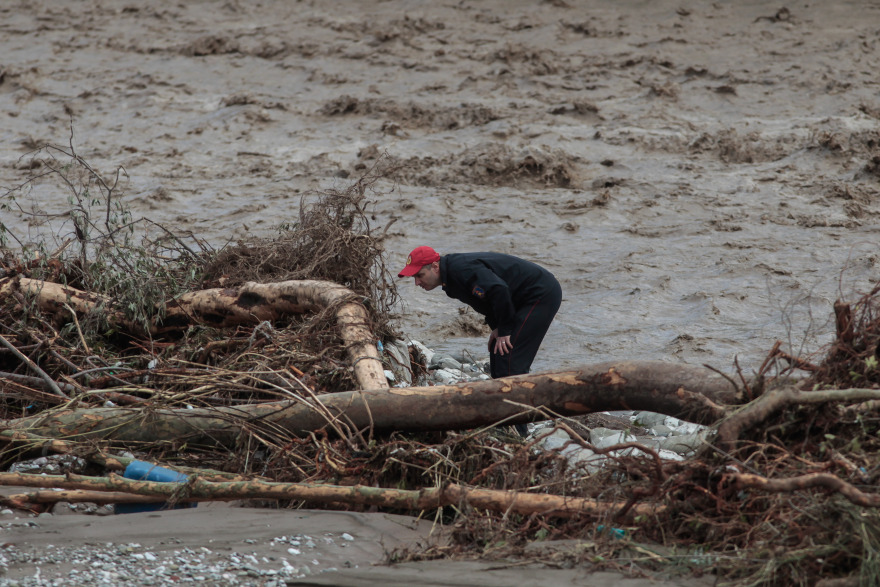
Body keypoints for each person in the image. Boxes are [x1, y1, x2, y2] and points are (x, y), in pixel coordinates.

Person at [398, 246, 562, 436]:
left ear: (435, 266)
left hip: (539, 294)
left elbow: (499, 290)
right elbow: (487, 300)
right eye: (414, 278)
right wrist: (496, 327)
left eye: (419, 275)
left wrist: (505, 329)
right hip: (517, 299)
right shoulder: (449, 277)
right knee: (497, 350)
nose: (417, 282)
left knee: (510, 359)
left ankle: (518, 430)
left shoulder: (461, 270)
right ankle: (503, 419)